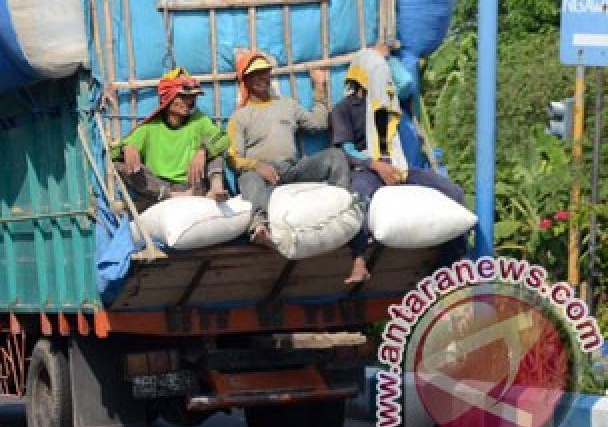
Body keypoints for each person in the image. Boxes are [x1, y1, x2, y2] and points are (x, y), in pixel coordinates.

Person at [331, 46, 467, 284]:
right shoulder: (343, 109)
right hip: (367, 169)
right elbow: (346, 150)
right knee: (357, 200)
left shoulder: (389, 101)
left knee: (454, 193)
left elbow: (407, 83)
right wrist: (376, 166)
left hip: (399, 166)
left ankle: (452, 259)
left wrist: (387, 58)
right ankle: (359, 260)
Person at [228, 51, 350, 245]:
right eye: (255, 75)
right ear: (246, 81)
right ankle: (260, 225)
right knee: (248, 178)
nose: (261, 78)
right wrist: (256, 166)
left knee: (335, 156)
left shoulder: (287, 105)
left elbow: (319, 124)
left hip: (291, 170)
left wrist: (319, 88)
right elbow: (233, 157)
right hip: (260, 173)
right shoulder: (240, 116)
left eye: (264, 73)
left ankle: (345, 208)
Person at [110, 67, 231, 211]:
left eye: (192, 97)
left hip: (192, 184)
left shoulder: (199, 120)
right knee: (121, 166)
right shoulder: (150, 127)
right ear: (168, 98)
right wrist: (126, 148)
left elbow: (223, 139)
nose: (189, 101)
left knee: (215, 154)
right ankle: (171, 197)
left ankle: (215, 190)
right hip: (160, 188)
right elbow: (113, 153)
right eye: (183, 97)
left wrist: (203, 151)